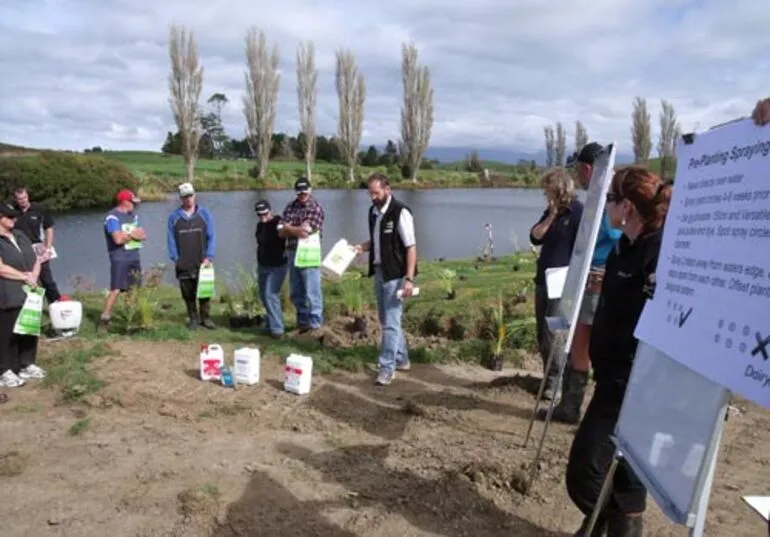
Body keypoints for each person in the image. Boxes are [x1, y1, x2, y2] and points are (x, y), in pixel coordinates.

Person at [565, 165, 671, 537]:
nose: (606, 205)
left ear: (627, 206)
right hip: (609, 377)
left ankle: (610, 523)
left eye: (611, 198)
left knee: (584, 469)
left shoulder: (659, 253)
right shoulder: (623, 248)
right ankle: (614, 526)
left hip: (634, 383)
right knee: (624, 468)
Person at [546, 142, 623, 425]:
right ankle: (573, 402)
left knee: (581, 341)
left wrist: (599, 268)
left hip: (595, 279)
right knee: (583, 340)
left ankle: (572, 406)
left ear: (589, 169)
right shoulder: (603, 195)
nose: (577, 176)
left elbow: (611, 238)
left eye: (579, 170)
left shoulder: (605, 199)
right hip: (592, 276)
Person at [353, 173, 417, 386]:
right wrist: (363, 247)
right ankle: (402, 359)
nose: (372, 197)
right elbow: (378, 239)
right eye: (370, 193)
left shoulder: (401, 212)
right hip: (379, 271)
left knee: (390, 322)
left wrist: (409, 278)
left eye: (376, 193)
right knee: (386, 319)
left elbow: (410, 247)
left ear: (387, 189)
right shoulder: (373, 212)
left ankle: (386, 368)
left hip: (396, 275)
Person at [529, 168, 583, 400]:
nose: (545, 194)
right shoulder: (550, 212)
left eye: (547, 190)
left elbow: (582, 247)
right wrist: (550, 216)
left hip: (562, 284)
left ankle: (556, 383)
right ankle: (547, 377)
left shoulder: (578, 212)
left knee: (554, 333)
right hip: (543, 280)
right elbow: (535, 237)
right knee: (542, 332)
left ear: (560, 189)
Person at [0, 202, 48, 388]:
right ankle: (4, 370)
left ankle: (26, 363)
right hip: (7, 292)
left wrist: (34, 275)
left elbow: (35, 257)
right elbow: (1, 268)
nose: (14, 219)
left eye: (14, 216)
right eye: (9, 216)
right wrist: (23, 276)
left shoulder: (19, 235)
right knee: (7, 333)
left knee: (29, 327)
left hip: (29, 291)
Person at [167, 182, 216, 330]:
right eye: (185, 197)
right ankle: (193, 318)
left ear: (194, 195)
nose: (188, 199)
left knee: (205, 291)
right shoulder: (173, 217)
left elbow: (212, 237)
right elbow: (170, 239)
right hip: (184, 261)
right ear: (180, 199)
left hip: (202, 260)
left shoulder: (205, 214)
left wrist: (209, 256)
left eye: (190, 196)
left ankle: (206, 319)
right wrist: (175, 258)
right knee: (188, 294)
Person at [279, 177, 325, 335]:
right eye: (299, 192)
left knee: (312, 290)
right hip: (292, 251)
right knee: (296, 288)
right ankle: (302, 321)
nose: (302, 195)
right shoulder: (290, 206)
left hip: (309, 253)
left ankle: (316, 322)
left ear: (310, 190)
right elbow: (280, 231)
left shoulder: (315, 207)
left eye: (304, 192)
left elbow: (305, 231)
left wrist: (288, 227)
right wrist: (294, 229)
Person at [99, 189, 146, 330]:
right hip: (119, 258)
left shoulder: (133, 216)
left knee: (134, 289)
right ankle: (104, 320)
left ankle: (129, 319)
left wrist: (134, 235)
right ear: (125, 202)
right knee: (116, 289)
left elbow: (142, 234)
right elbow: (118, 239)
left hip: (134, 256)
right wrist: (133, 235)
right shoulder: (112, 218)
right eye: (132, 202)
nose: (134, 205)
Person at [10, 186, 62, 304]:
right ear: (15, 199)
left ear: (28, 196)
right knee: (25, 280)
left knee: (47, 279)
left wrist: (48, 248)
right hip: (20, 250)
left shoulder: (39, 209)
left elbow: (49, 228)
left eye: (24, 198)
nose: (23, 201)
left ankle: (56, 303)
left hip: (38, 248)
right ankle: (28, 306)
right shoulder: (12, 213)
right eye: (19, 199)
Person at [255, 199, 288, 338]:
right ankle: (270, 324)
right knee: (264, 296)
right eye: (259, 215)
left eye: (265, 214)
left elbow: (285, 232)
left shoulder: (278, 222)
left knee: (271, 294)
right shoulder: (259, 226)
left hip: (278, 265)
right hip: (263, 265)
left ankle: (277, 329)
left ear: (270, 211)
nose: (263, 217)